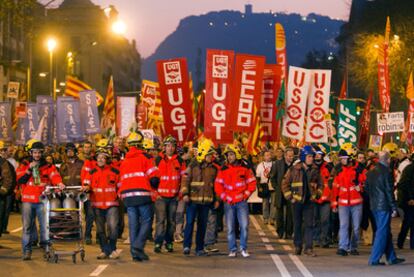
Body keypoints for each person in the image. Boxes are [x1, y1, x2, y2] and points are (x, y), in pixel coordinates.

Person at [16, 139, 65, 260]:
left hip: (42, 201)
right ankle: (27, 251)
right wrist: (28, 170)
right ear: (31, 153)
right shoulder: (24, 164)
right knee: (27, 227)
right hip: (27, 201)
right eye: (35, 152)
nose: (37, 155)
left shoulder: (48, 165)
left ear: (42, 153)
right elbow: (19, 180)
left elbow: (55, 176)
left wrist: (59, 183)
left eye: (39, 152)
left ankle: (46, 249)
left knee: (45, 227)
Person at [119, 130, 160, 262]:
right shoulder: (147, 158)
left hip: (128, 197)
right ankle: (137, 246)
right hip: (143, 195)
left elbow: (121, 180)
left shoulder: (124, 161)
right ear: (140, 144)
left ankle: (135, 253)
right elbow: (154, 179)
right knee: (147, 221)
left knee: (133, 224)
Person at [215, 144, 256, 258]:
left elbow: (252, 182)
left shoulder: (245, 168)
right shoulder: (223, 169)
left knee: (244, 226)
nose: (229, 157)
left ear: (237, 155)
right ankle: (232, 249)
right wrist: (225, 197)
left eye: (231, 154)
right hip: (229, 203)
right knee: (230, 228)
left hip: (241, 202)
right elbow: (218, 185)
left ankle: (243, 248)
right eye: (228, 155)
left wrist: (246, 195)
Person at [282, 146, 322, 256]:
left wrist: (317, 194)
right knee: (297, 224)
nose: (311, 159)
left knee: (309, 224)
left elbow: (320, 184)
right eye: (309, 156)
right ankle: (298, 246)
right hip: (297, 202)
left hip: (309, 202)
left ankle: (308, 248)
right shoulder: (294, 169)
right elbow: (285, 184)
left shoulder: (315, 170)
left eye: (312, 157)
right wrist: (290, 197)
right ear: (304, 157)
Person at [366, 151, 405, 266]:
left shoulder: (371, 172)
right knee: (382, 232)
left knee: (385, 231)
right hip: (383, 206)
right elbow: (389, 191)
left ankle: (392, 257)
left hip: (374, 205)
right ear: (387, 160)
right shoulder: (387, 172)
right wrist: (393, 207)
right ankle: (374, 259)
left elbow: (367, 189)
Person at [181, 139, 219, 256]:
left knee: (202, 225)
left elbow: (217, 185)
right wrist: (185, 193)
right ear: (204, 154)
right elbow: (185, 179)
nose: (211, 157)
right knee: (190, 223)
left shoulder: (214, 168)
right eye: (209, 155)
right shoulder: (193, 165)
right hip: (192, 200)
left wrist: (217, 199)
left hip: (206, 201)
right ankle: (186, 246)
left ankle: (199, 248)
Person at [82, 146, 121, 259]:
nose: (100, 159)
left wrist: (120, 195)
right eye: (98, 157)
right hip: (97, 205)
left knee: (113, 228)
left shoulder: (115, 171)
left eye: (103, 157)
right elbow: (86, 183)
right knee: (100, 230)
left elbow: (120, 186)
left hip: (112, 204)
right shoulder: (92, 172)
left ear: (107, 159)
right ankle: (105, 250)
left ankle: (111, 248)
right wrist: (86, 188)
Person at [153, 135, 185, 253]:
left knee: (171, 221)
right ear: (164, 147)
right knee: (161, 220)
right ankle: (158, 243)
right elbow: (153, 178)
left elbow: (184, 178)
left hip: (174, 197)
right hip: (160, 197)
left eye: (172, 146)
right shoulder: (158, 160)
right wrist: (155, 193)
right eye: (168, 146)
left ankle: (169, 242)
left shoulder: (180, 161)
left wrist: (180, 194)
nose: (170, 148)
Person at [332, 149, 364, 256]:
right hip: (343, 203)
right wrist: (334, 203)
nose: (342, 160)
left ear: (349, 158)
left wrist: (360, 187)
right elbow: (335, 188)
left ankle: (353, 247)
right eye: (341, 159)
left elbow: (365, 182)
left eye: (344, 159)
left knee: (356, 227)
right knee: (344, 226)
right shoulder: (338, 171)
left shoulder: (358, 170)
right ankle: (343, 247)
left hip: (356, 203)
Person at [270, 147, 295, 238]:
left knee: (290, 213)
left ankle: (289, 232)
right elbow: (272, 177)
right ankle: (280, 232)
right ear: (285, 156)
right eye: (289, 156)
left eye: (292, 156)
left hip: (291, 192)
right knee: (279, 213)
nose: (291, 158)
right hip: (280, 192)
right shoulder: (277, 164)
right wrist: (276, 187)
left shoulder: (295, 165)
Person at [313, 146, 332, 248]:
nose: (317, 156)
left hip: (326, 198)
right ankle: (316, 239)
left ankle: (324, 239)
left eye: (319, 154)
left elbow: (332, 182)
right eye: (316, 154)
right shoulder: (311, 167)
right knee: (315, 219)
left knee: (325, 220)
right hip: (314, 198)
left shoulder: (328, 167)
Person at [80, 141, 96, 245]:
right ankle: (86, 235)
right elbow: (84, 175)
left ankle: (89, 235)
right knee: (87, 214)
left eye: (88, 147)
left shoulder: (93, 160)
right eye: (85, 147)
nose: (87, 149)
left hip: (93, 191)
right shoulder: (81, 160)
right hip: (85, 191)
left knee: (91, 215)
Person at [396, 157, 414, 249]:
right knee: (408, 222)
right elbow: (406, 184)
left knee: (409, 222)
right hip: (409, 200)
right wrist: (410, 198)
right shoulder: (410, 169)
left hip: (409, 199)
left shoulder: (409, 168)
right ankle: (400, 242)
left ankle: (410, 243)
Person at [0, 141, 16, 237]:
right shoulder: (3, 162)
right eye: (5, 150)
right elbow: (7, 177)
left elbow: (8, 177)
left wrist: (4, 190)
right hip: (2, 194)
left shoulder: (4, 162)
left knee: (2, 215)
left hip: (3, 194)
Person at [256, 149, 275, 225]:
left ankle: (272, 218)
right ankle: (265, 218)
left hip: (273, 185)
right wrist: (259, 186)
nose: (269, 156)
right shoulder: (260, 166)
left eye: (270, 155)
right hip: (264, 185)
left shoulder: (274, 164)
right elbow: (257, 177)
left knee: (273, 203)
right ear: (263, 157)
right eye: (267, 155)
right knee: (265, 202)